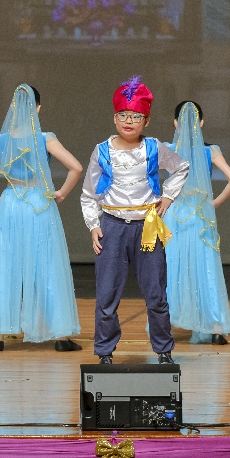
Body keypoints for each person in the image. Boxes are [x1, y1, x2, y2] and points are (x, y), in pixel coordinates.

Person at [0, 84, 83, 352]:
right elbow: (75, 167)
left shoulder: (0, 140)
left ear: (13, 108)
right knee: (47, 266)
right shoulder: (46, 138)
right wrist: (62, 192)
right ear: (38, 108)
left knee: (4, 265)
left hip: (10, 204)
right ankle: (61, 337)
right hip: (39, 204)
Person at [81, 76, 189, 365]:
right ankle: (105, 352)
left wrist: (167, 197)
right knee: (106, 296)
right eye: (123, 115)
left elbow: (181, 168)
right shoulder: (102, 150)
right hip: (112, 226)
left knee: (156, 294)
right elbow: (89, 193)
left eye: (136, 116)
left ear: (146, 120)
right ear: (114, 118)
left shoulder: (153, 148)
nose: (129, 121)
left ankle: (164, 351)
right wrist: (94, 225)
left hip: (147, 227)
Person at [165, 101, 230, 345]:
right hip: (200, 216)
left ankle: (167, 324)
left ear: (175, 123)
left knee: (173, 267)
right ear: (201, 123)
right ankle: (215, 327)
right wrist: (212, 204)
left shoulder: (167, 149)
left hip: (174, 216)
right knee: (205, 267)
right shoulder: (211, 150)